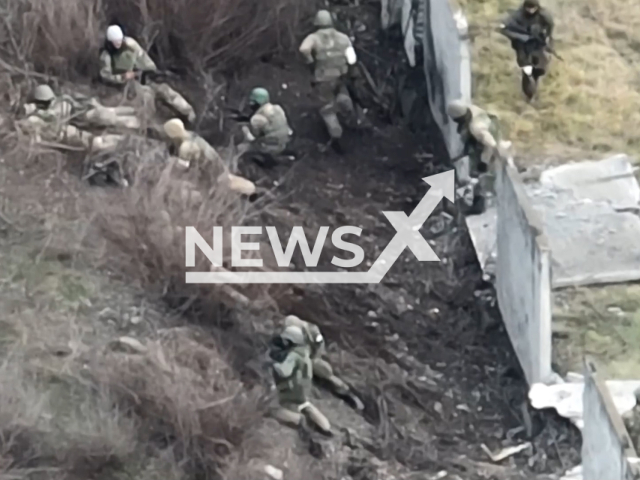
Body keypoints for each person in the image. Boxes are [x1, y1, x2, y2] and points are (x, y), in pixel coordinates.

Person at [99, 25, 196, 123]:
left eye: (120, 40)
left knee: (164, 90)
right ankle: (148, 123)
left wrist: (150, 71)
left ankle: (188, 114)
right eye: (115, 41)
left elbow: (144, 59)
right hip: (126, 85)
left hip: (143, 77)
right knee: (147, 95)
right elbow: (105, 75)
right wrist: (122, 77)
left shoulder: (131, 45)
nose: (118, 43)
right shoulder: (106, 55)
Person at [299, 10, 357, 147]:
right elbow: (352, 58)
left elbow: (303, 49)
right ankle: (347, 109)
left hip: (323, 78)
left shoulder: (314, 38)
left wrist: (310, 61)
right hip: (341, 76)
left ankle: (337, 136)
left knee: (326, 109)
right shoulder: (343, 38)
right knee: (342, 94)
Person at [283, 315, 364, 411]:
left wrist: (313, 357)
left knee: (325, 372)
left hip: (312, 355)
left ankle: (347, 394)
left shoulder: (312, 330)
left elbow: (320, 345)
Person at [163, 118, 256, 196]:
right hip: (217, 166)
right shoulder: (191, 135)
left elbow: (178, 171)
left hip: (211, 176)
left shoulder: (186, 147)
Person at [20, 84, 126, 152]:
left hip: (69, 129)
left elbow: (50, 118)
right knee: (96, 139)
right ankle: (122, 143)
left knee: (95, 139)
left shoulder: (49, 111)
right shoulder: (59, 104)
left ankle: (122, 143)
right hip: (70, 129)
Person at [269, 325, 332, 435]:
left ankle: (298, 419)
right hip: (303, 392)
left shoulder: (293, 356)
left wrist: (274, 365)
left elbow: (284, 371)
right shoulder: (305, 353)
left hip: (290, 393)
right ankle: (325, 427)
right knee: (305, 405)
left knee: (270, 409)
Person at [447, 99, 505, 214]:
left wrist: (484, 162)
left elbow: (491, 145)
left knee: (479, 174)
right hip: (490, 124)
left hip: (490, 139)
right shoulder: (469, 109)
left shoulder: (476, 128)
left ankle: (479, 204)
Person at [500, 0, 555, 99]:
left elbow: (550, 28)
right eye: (528, 8)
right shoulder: (517, 15)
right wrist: (522, 37)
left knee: (540, 68)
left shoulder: (543, 15)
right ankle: (529, 93)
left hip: (537, 44)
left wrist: (547, 40)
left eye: (533, 8)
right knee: (526, 67)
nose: (531, 10)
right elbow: (505, 28)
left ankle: (534, 83)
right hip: (522, 45)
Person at [241, 87, 293, 160]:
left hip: (268, 148)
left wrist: (246, 130)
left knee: (241, 145)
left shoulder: (256, 118)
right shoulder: (278, 108)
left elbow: (255, 136)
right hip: (283, 144)